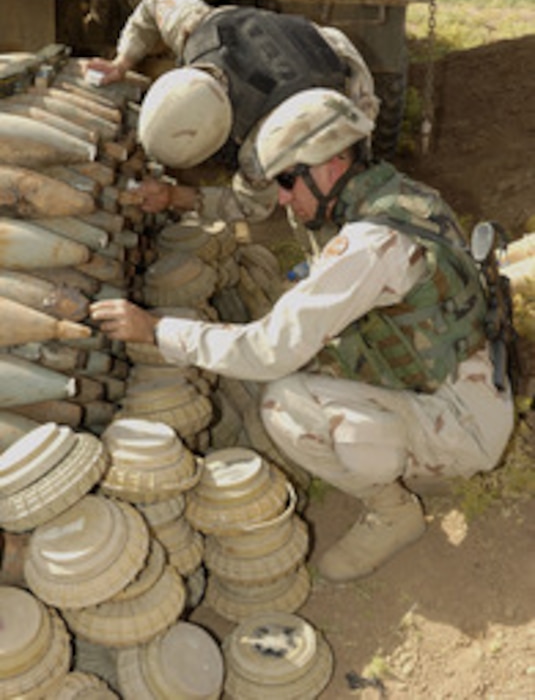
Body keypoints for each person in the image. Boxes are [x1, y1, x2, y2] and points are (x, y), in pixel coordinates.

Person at [90, 88, 515, 582]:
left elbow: (267, 350)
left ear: (334, 162)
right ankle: (414, 454)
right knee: (311, 356)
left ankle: (395, 509)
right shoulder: (403, 197)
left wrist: (158, 329)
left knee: (284, 403)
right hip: (464, 381)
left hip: (464, 421)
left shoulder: (369, 245)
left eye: (289, 180)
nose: (284, 197)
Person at [86, 0, 379, 225]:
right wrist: (122, 62)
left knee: (312, 198)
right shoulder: (195, 29)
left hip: (338, 71)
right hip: (286, 42)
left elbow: (250, 206)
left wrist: (174, 197)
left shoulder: (265, 141)